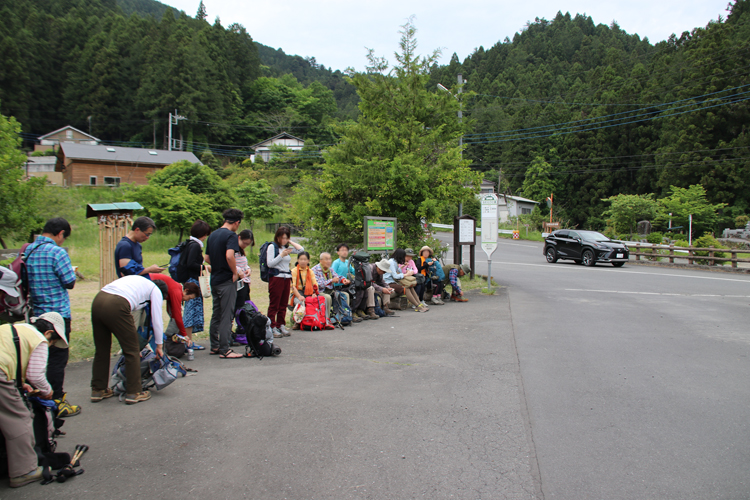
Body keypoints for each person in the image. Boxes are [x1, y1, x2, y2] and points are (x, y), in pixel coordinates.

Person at [0, 313, 68, 488]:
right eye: (53, 341)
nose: (51, 345)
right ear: (48, 333)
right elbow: (36, 376)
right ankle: (24, 471)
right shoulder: (39, 339)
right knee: (19, 417)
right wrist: (48, 391)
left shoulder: (16, 329)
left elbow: (11, 358)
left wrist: (20, 383)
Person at [24, 217, 80, 418]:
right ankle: (57, 401)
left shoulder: (29, 251)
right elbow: (69, 282)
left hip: (36, 314)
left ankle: (38, 401)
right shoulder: (58, 252)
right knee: (57, 359)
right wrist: (73, 272)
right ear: (60, 233)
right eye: (64, 237)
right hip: (58, 315)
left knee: (39, 358)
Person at [90, 275, 168, 404]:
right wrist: (159, 345)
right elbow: (157, 320)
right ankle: (134, 392)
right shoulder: (155, 290)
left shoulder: (139, 283)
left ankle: (98, 389)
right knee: (132, 350)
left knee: (101, 349)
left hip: (99, 300)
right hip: (117, 304)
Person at [205, 209, 244, 359]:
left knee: (217, 313)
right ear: (236, 223)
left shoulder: (213, 235)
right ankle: (225, 349)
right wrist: (234, 271)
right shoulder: (231, 235)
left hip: (214, 279)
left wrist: (218, 264)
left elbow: (207, 257)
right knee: (227, 315)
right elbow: (229, 255)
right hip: (226, 281)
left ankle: (215, 345)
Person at [266, 226, 305, 338]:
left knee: (283, 303)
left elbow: (301, 250)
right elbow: (270, 263)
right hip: (276, 277)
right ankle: (272, 326)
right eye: (282, 237)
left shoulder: (286, 247)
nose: (283, 240)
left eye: (286, 237)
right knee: (275, 303)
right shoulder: (272, 247)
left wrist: (290, 242)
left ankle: (281, 324)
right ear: (277, 237)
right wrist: (281, 255)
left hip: (286, 277)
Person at [180, 220, 211, 349]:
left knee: (190, 311)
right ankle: (189, 342)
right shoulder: (195, 245)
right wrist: (204, 267)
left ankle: (188, 340)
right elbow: (190, 263)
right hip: (192, 281)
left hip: (189, 280)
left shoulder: (189, 243)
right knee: (190, 312)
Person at [150, 274, 199, 354]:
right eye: (189, 298)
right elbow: (177, 315)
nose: (187, 300)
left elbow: (170, 311)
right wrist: (184, 334)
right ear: (185, 291)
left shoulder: (176, 288)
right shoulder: (177, 291)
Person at [289, 252, 330, 330]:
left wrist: (314, 293)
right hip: (297, 293)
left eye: (305, 259)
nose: (303, 261)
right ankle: (297, 322)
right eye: (301, 259)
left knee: (318, 301)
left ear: (308, 261)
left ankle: (323, 321)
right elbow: (293, 287)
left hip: (308, 293)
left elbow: (315, 284)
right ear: (298, 260)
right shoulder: (294, 271)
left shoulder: (310, 271)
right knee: (300, 302)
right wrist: (299, 296)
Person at [330, 244, 362, 323]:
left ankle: (357, 311)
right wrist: (343, 280)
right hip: (338, 287)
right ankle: (350, 313)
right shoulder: (336, 262)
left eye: (346, 250)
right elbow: (333, 274)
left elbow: (354, 271)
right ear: (338, 252)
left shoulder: (348, 262)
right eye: (342, 250)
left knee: (360, 289)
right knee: (353, 292)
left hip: (345, 285)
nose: (344, 252)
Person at [234, 229, 255, 313]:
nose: (245, 246)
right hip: (237, 281)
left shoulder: (240, 251)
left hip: (245, 281)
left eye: (248, 244)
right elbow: (229, 262)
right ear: (239, 238)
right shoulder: (233, 249)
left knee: (246, 304)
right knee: (239, 305)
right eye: (244, 243)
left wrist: (248, 269)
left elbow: (243, 263)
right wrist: (238, 270)